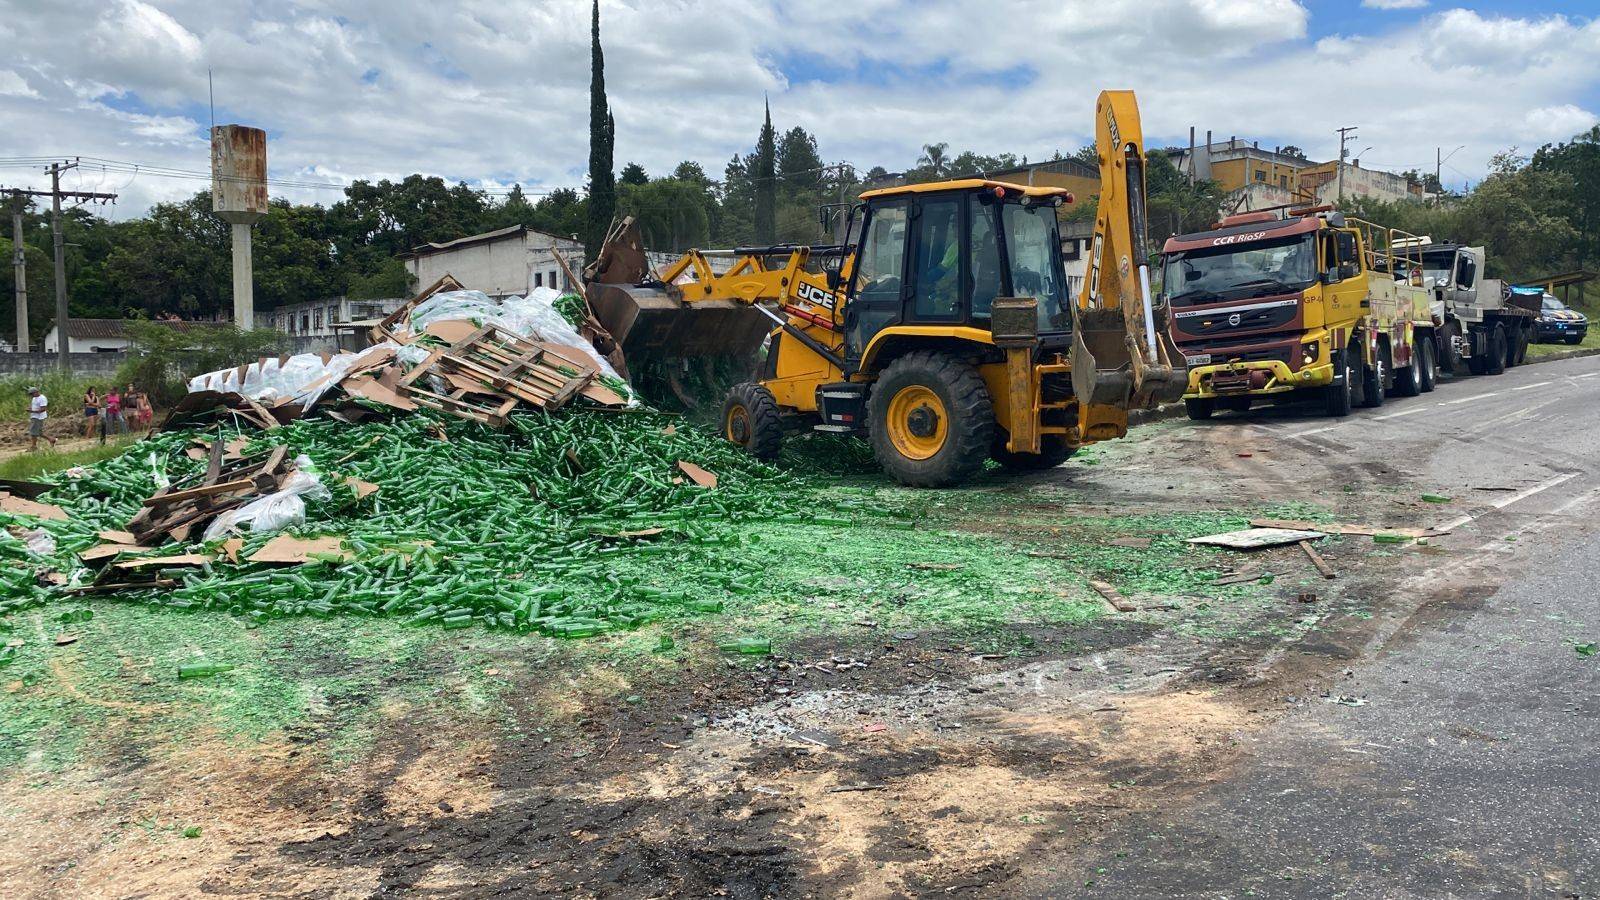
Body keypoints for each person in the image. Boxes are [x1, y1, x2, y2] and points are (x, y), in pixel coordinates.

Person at [28, 387, 56, 452]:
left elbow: (43, 409)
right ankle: (51, 440)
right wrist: (30, 409)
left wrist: (32, 411)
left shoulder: (42, 398)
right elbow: (34, 406)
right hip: (34, 416)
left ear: (36, 392)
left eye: (32, 394)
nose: (31, 395)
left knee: (33, 432)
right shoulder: (34, 398)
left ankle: (34, 446)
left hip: (39, 417)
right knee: (39, 432)